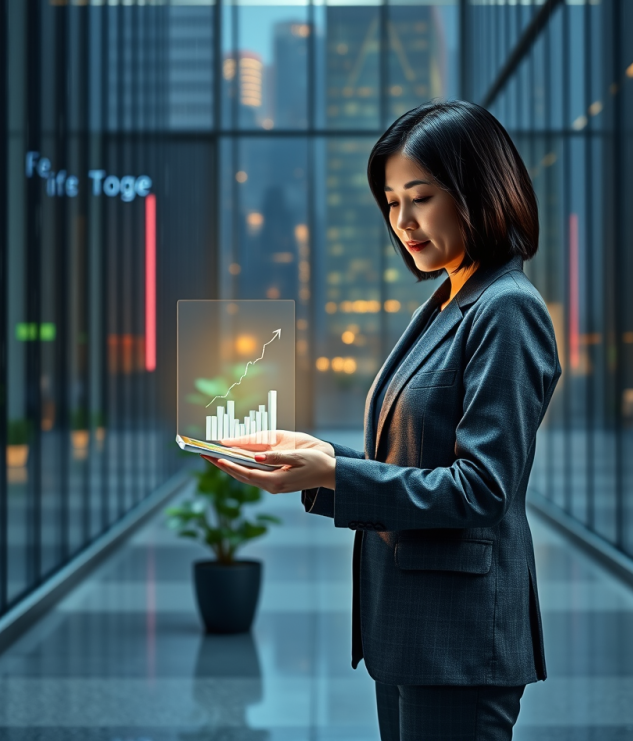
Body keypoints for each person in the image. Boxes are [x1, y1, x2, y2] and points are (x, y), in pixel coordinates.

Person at [204, 100, 562, 741]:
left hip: (456, 640)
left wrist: (335, 474)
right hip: (411, 629)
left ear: (479, 193)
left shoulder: (506, 308)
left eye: (420, 198)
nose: (403, 222)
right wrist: (320, 459)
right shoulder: (448, 299)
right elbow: (416, 459)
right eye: (392, 203)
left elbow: (481, 489)